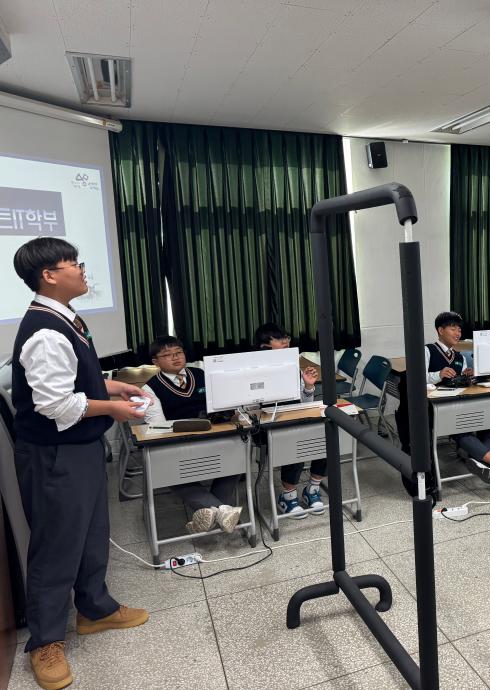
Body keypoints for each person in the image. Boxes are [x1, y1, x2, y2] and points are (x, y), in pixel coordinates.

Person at [12, 237, 149, 690]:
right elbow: (56, 405)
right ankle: (46, 641)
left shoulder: (66, 317)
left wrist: (113, 387)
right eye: (72, 263)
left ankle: (95, 608)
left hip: (81, 446)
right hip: (55, 453)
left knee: (91, 532)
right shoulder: (45, 333)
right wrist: (113, 410)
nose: (82, 269)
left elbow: (76, 382)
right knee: (56, 545)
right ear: (49, 275)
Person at [395, 311, 490, 487]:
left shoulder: (459, 358)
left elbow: (462, 386)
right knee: (461, 428)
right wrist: (438, 374)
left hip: (457, 406)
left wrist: (469, 377)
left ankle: (488, 462)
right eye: (453, 328)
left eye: (459, 329)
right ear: (440, 330)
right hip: (432, 409)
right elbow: (416, 377)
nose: (458, 333)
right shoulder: (427, 350)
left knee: (486, 420)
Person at [142, 336, 245, 533]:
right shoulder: (149, 389)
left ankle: (209, 515)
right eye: (167, 355)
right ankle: (222, 512)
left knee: (237, 456)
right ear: (155, 362)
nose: (175, 357)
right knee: (169, 471)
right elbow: (158, 426)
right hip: (179, 445)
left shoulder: (201, 374)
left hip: (214, 438)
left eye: (179, 352)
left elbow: (222, 403)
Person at [253, 322, 324, 517]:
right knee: (296, 440)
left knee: (324, 435)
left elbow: (304, 403)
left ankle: (312, 489)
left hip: (293, 418)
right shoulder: (253, 369)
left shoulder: (292, 366)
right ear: (264, 346)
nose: (286, 342)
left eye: (286, 338)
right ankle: (288, 496)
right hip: (266, 427)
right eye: (279, 339)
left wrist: (308, 387)